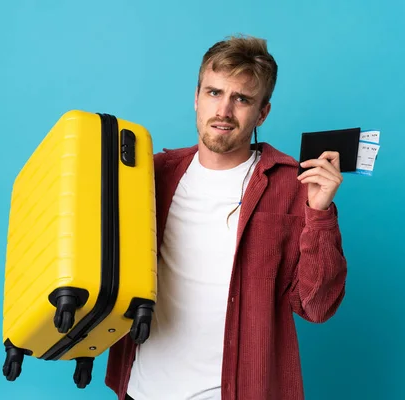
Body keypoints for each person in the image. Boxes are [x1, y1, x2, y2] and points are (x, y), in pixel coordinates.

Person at [105, 34, 348, 400]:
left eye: (242, 99)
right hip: (142, 388)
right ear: (196, 97)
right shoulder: (151, 175)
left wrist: (320, 214)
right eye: (214, 93)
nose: (223, 111)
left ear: (262, 112)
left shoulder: (293, 185)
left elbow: (316, 306)